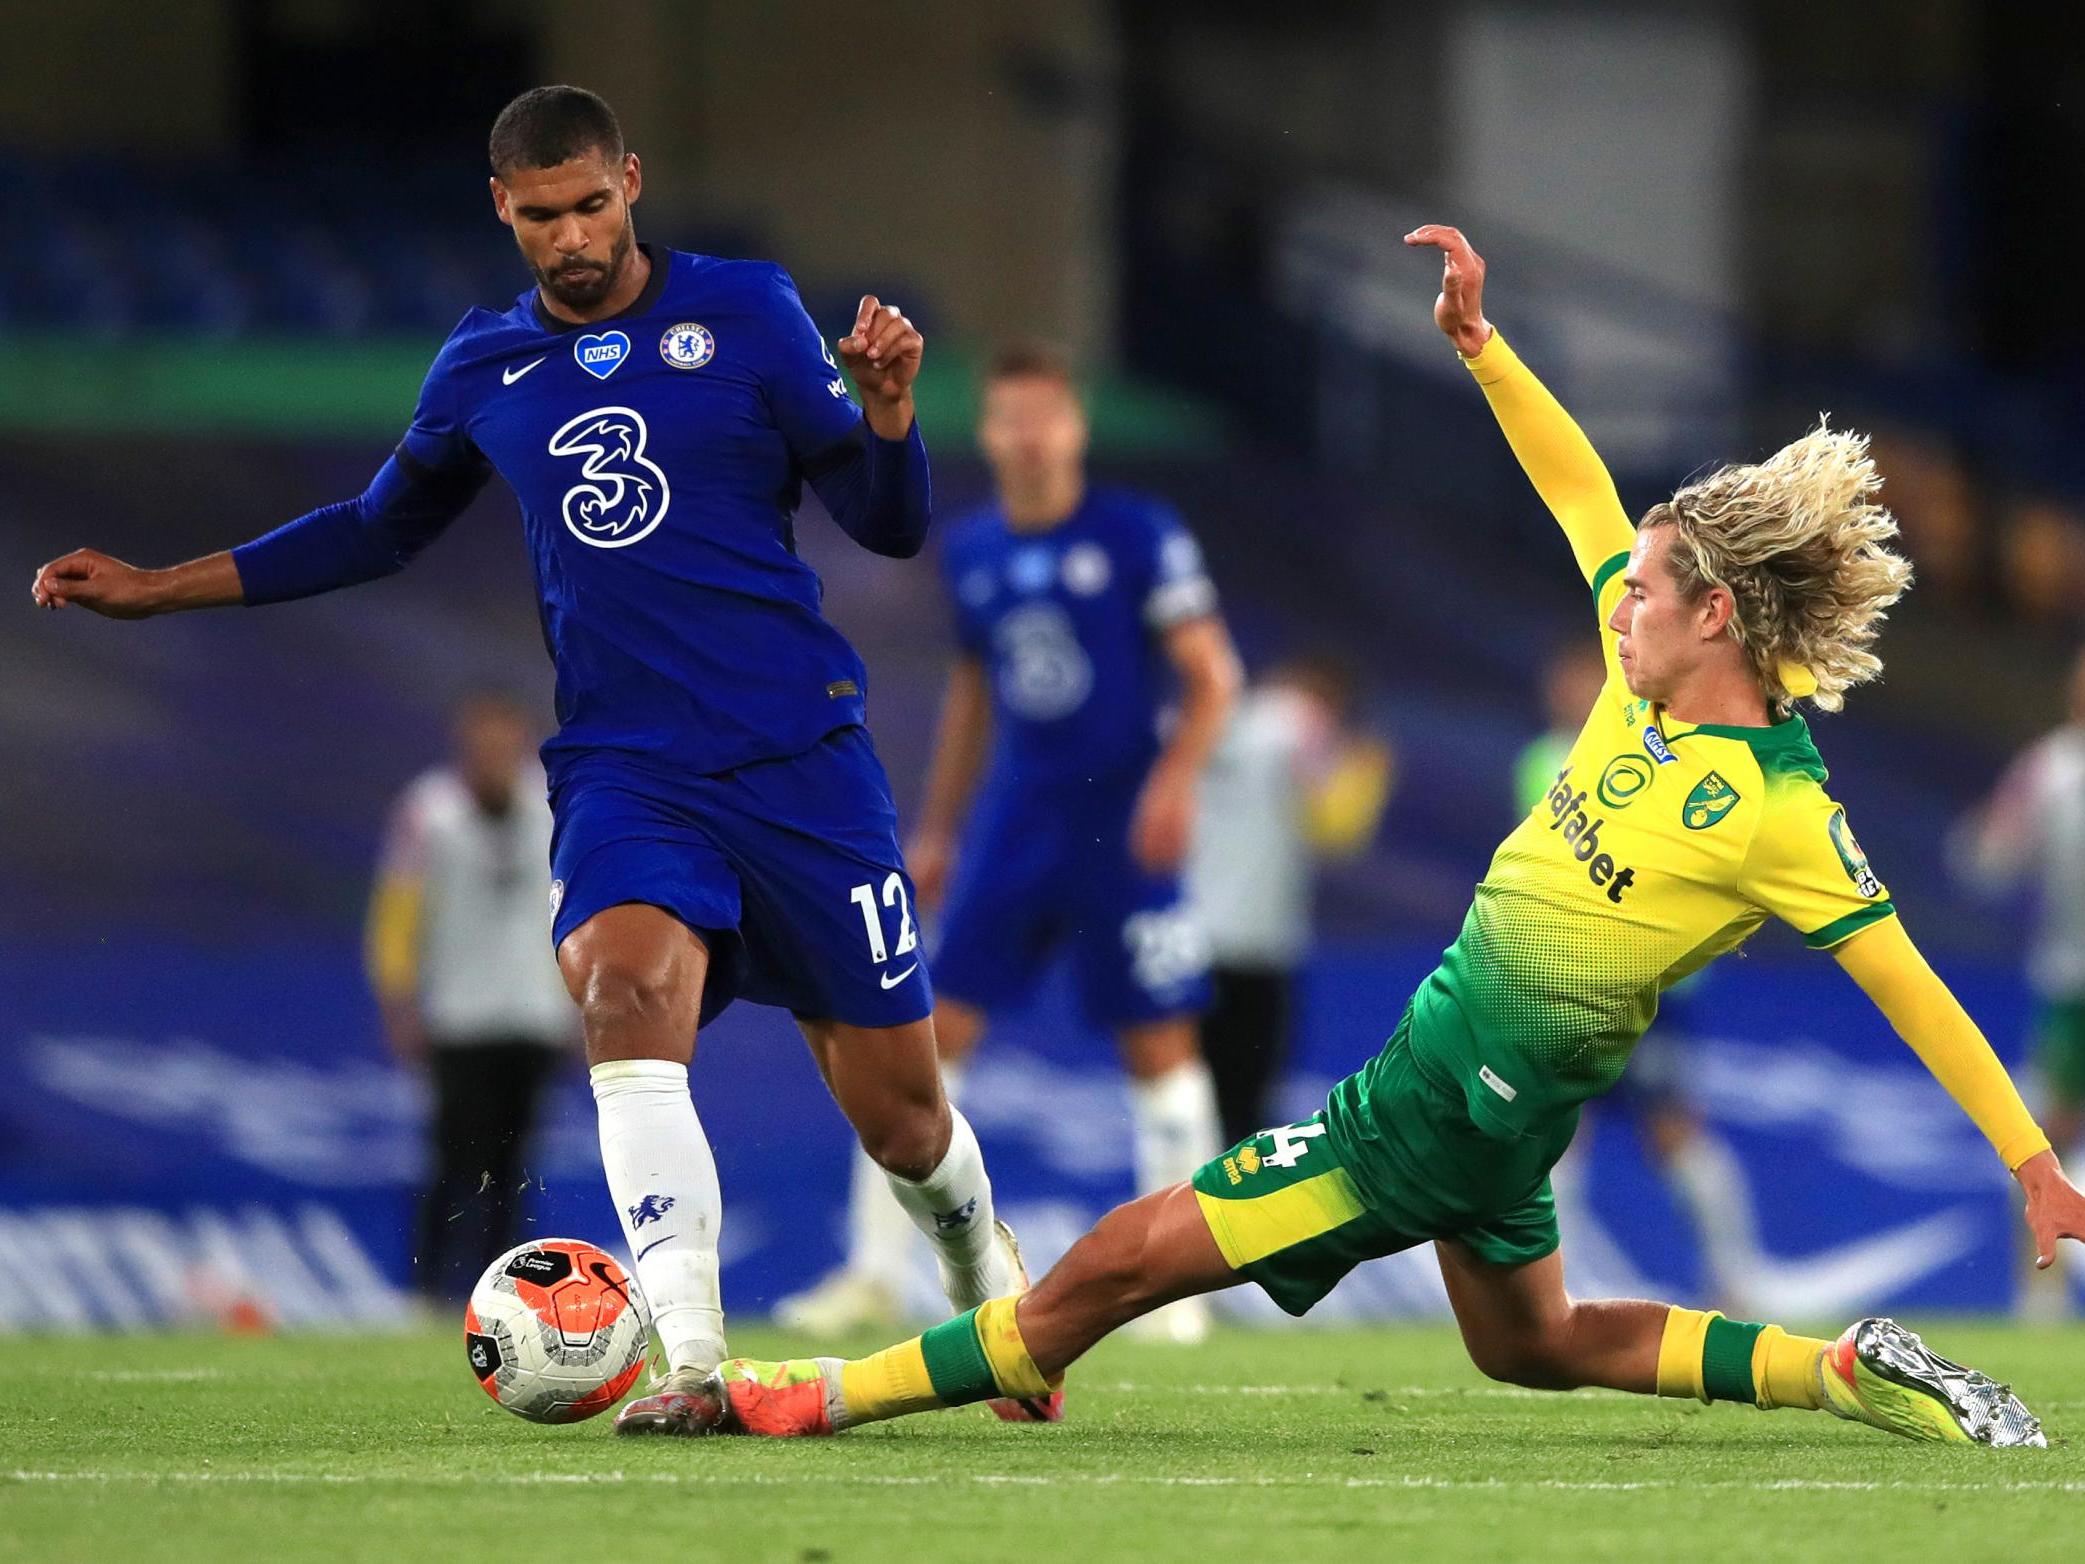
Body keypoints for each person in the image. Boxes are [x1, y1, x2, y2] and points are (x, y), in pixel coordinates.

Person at [683, 225, 2082, 1448]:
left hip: (1428, 1118)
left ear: (1715, 615)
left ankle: (811, 1397)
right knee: (1530, 1343)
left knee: (1105, 1267)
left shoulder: (1780, 808)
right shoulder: (1637, 671)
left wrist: (2033, 1164)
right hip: (1495, 1112)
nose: (1618, 604)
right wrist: (1481, 350)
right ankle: (1838, 1369)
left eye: (1646, 594)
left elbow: (1908, 981)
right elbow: (1582, 493)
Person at [30, 85, 1033, 1434]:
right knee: (621, 991)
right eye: (541, 217)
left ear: (630, 181)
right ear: (504, 209)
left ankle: (988, 1289)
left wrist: (895, 418)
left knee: (905, 1127)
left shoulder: (746, 308)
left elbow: (885, 521)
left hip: (802, 757)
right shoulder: (484, 367)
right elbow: (376, 529)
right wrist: (161, 587)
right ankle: (689, 1363)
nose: (570, 238)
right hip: (628, 769)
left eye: (591, 207)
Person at [776, 343, 1240, 1345]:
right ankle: (874, 1271)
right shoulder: (975, 547)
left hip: (1121, 822)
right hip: (1016, 821)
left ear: (1074, 425)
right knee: (927, 1043)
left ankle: (1184, 1291)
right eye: (1009, 418)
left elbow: (1212, 675)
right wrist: (940, 824)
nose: (1028, 437)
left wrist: (1174, 781)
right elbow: (975, 696)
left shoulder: (1135, 533)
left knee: (1159, 1044)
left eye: (1045, 415)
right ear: (988, 433)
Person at [1517, 641, 1763, 1312]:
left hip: (1653, 982)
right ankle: (1550, 1288)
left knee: (1672, 1131)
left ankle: (1735, 1278)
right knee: (1560, 1130)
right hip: (1572, 981)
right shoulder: (1541, 763)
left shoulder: (1669, 753)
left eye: (1586, 682)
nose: (1572, 695)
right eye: (1563, 684)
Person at [367, 688, 576, 1304]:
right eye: (482, 742)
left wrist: (580, 1005)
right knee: (450, 1156)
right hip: (458, 1015)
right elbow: (398, 912)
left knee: (515, 1164)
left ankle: (505, 1296)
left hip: (534, 1012)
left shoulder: (553, 804)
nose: (493, 754)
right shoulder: (429, 811)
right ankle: (428, 1291)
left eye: (503, 741)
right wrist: (399, 998)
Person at [1191, 655, 1393, 1147]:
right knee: (1244, 1116)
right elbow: (1341, 827)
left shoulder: (1210, 720)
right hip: (1260, 951)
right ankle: (1222, 1219)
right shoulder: (1303, 725)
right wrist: (1367, 765)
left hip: (1191, 938)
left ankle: (1166, 1214)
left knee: (1187, 1102)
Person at [1955, 645, 2085, 1316]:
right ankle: (2040, 1290)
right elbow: (1992, 860)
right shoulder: (2050, 769)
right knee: (2044, 1136)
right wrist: (1987, 845)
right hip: (2070, 988)